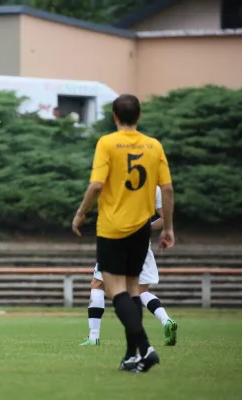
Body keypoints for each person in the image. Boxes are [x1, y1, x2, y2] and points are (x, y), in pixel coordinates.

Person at [72, 94, 174, 373]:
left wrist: (80, 213)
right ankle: (131, 355)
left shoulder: (107, 143)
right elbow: (166, 190)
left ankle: (146, 349)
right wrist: (168, 228)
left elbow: (95, 186)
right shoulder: (153, 146)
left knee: (114, 290)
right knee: (132, 291)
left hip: (112, 228)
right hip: (141, 229)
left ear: (114, 117)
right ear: (139, 116)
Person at [80, 186, 178, 347]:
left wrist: (81, 213)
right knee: (141, 292)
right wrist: (145, 228)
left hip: (116, 241)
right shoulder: (154, 186)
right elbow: (164, 219)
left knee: (98, 284)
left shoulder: (118, 178)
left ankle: (94, 337)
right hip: (141, 245)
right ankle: (166, 320)